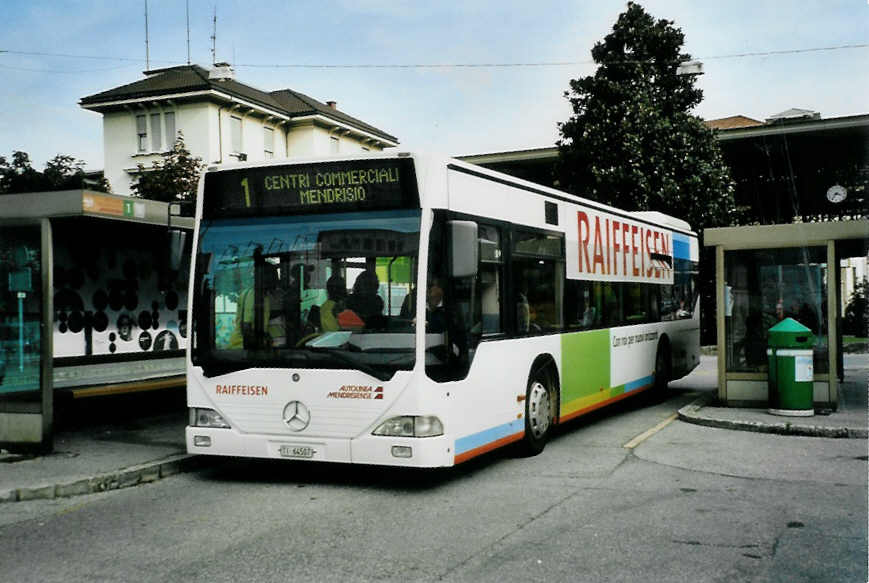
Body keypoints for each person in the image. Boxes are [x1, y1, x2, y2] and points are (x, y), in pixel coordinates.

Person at [228, 263, 284, 349]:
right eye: (274, 276)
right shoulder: (253, 296)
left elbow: (261, 317)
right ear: (264, 278)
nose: (277, 280)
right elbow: (246, 328)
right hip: (240, 347)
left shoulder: (263, 296)